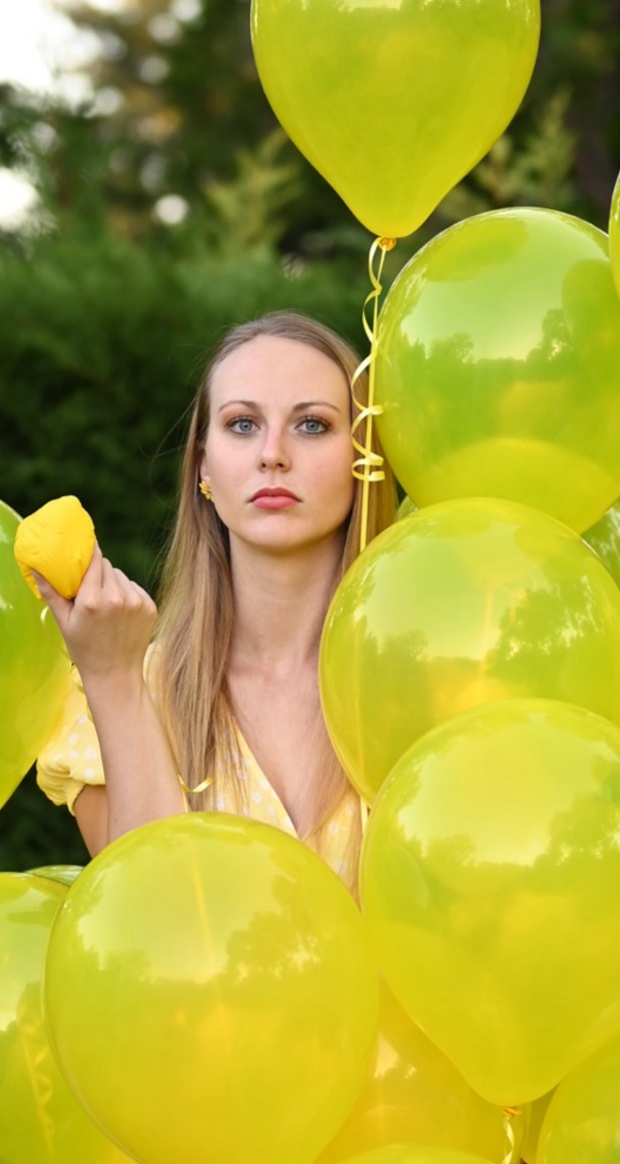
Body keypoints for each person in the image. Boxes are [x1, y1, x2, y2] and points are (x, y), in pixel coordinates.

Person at [31, 310, 394, 891]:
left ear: (363, 459)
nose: (273, 454)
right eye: (243, 424)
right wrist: (113, 678)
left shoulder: (427, 677)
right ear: (203, 464)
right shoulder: (123, 692)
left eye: (312, 425)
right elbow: (151, 912)